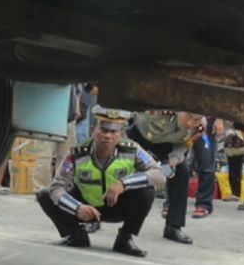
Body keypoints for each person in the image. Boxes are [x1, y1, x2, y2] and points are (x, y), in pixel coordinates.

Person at [38, 106, 162, 256]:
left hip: (118, 207)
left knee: (147, 191)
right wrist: (77, 208)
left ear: (120, 134)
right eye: (103, 130)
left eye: (113, 131)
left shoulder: (132, 149)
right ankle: (75, 235)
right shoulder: (76, 153)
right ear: (92, 130)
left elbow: (158, 174)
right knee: (45, 195)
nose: (107, 136)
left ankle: (125, 239)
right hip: (87, 208)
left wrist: (124, 183)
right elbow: (57, 187)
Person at [127, 109, 202, 244]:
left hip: (164, 149)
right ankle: (93, 217)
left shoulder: (200, 127)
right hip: (138, 139)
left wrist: (172, 161)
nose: (191, 123)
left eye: (196, 119)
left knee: (180, 172)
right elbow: (136, 117)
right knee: (114, 166)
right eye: (188, 116)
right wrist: (146, 159)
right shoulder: (159, 112)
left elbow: (184, 144)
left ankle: (173, 227)